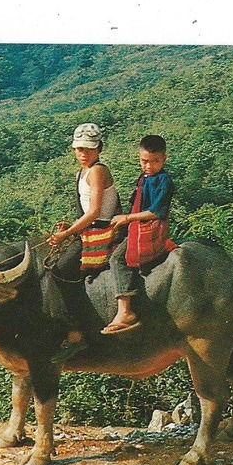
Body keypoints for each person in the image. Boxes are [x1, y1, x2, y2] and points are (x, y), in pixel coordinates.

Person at [47, 122, 121, 361]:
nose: (83, 153)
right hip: (89, 229)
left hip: (102, 231)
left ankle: (77, 333)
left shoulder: (98, 170)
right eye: (79, 149)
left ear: (99, 148)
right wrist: (70, 227)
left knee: (59, 271)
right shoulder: (82, 172)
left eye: (88, 149)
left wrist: (66, 235)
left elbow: (95, 212)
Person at [103, 134, 177, 335]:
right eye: (145, 161)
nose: (149, 166)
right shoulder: (144, 178)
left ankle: (125, 309)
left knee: (118, 258)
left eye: (155, 161)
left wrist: (127, 218)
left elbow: (157, 211)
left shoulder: (164, 181)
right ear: (139, 158)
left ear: (164, 158)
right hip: (135, 226)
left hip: (149, 230)